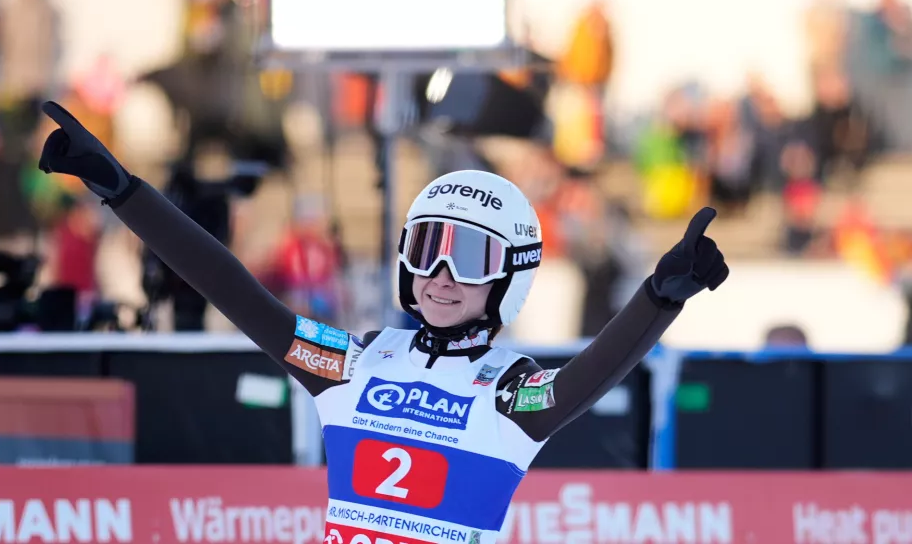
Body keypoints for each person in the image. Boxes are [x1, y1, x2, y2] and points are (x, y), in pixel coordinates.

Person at [37, 102, 728, 544]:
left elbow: (590, 375)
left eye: (470, 258)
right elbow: (234, 290)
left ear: (508, 277)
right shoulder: (356, 363)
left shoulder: (509, 395)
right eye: (428, 249)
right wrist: (123, 193)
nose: (442, 275)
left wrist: (659, 297)